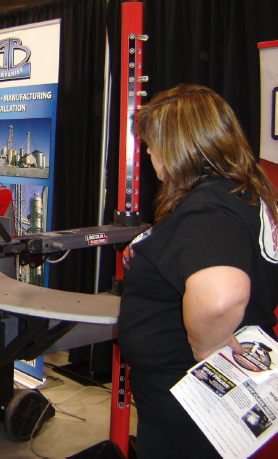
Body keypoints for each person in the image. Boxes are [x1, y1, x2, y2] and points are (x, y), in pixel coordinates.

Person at [118, 83, 278, 458]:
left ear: (179, 146)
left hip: (190, 403)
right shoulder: (245, 191)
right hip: (209, 402)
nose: (148, 150)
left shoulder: (208, 207)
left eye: (153, 142)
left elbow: (222, 296)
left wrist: (205, 347)